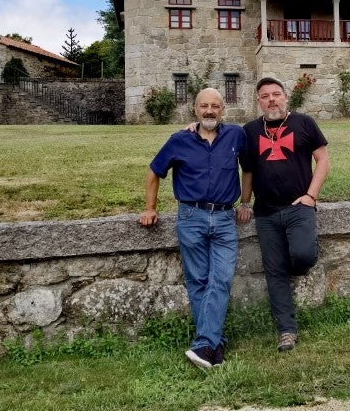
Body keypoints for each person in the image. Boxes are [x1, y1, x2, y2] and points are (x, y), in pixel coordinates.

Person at [140, 88, 247, 370]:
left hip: (225, 217)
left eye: (214, 106)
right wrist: (150, 208)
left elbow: (249, 168)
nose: (209, 111)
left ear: (223, 109)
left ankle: (204, 344)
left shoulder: (236, 136)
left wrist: (246, 201)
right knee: (198, 281)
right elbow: (154, 172)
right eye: (203, 106)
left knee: (221, 279)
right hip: (191, 216)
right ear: (195, 110)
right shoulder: (179, 140)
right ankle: (213, 344)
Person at [238, 77, 330, 352]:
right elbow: (249, 172)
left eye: (276, 94)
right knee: (274, 272)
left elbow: (323, 160)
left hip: (298, 207)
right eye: (265, 96)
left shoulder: (304, 123)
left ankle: (299, 254)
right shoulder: (250, 130)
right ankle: (286, 331)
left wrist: (310, 196)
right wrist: (244, 203)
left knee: (302, 255)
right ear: (258, 101)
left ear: (285, 97)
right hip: (266, 213)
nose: (271, 100)